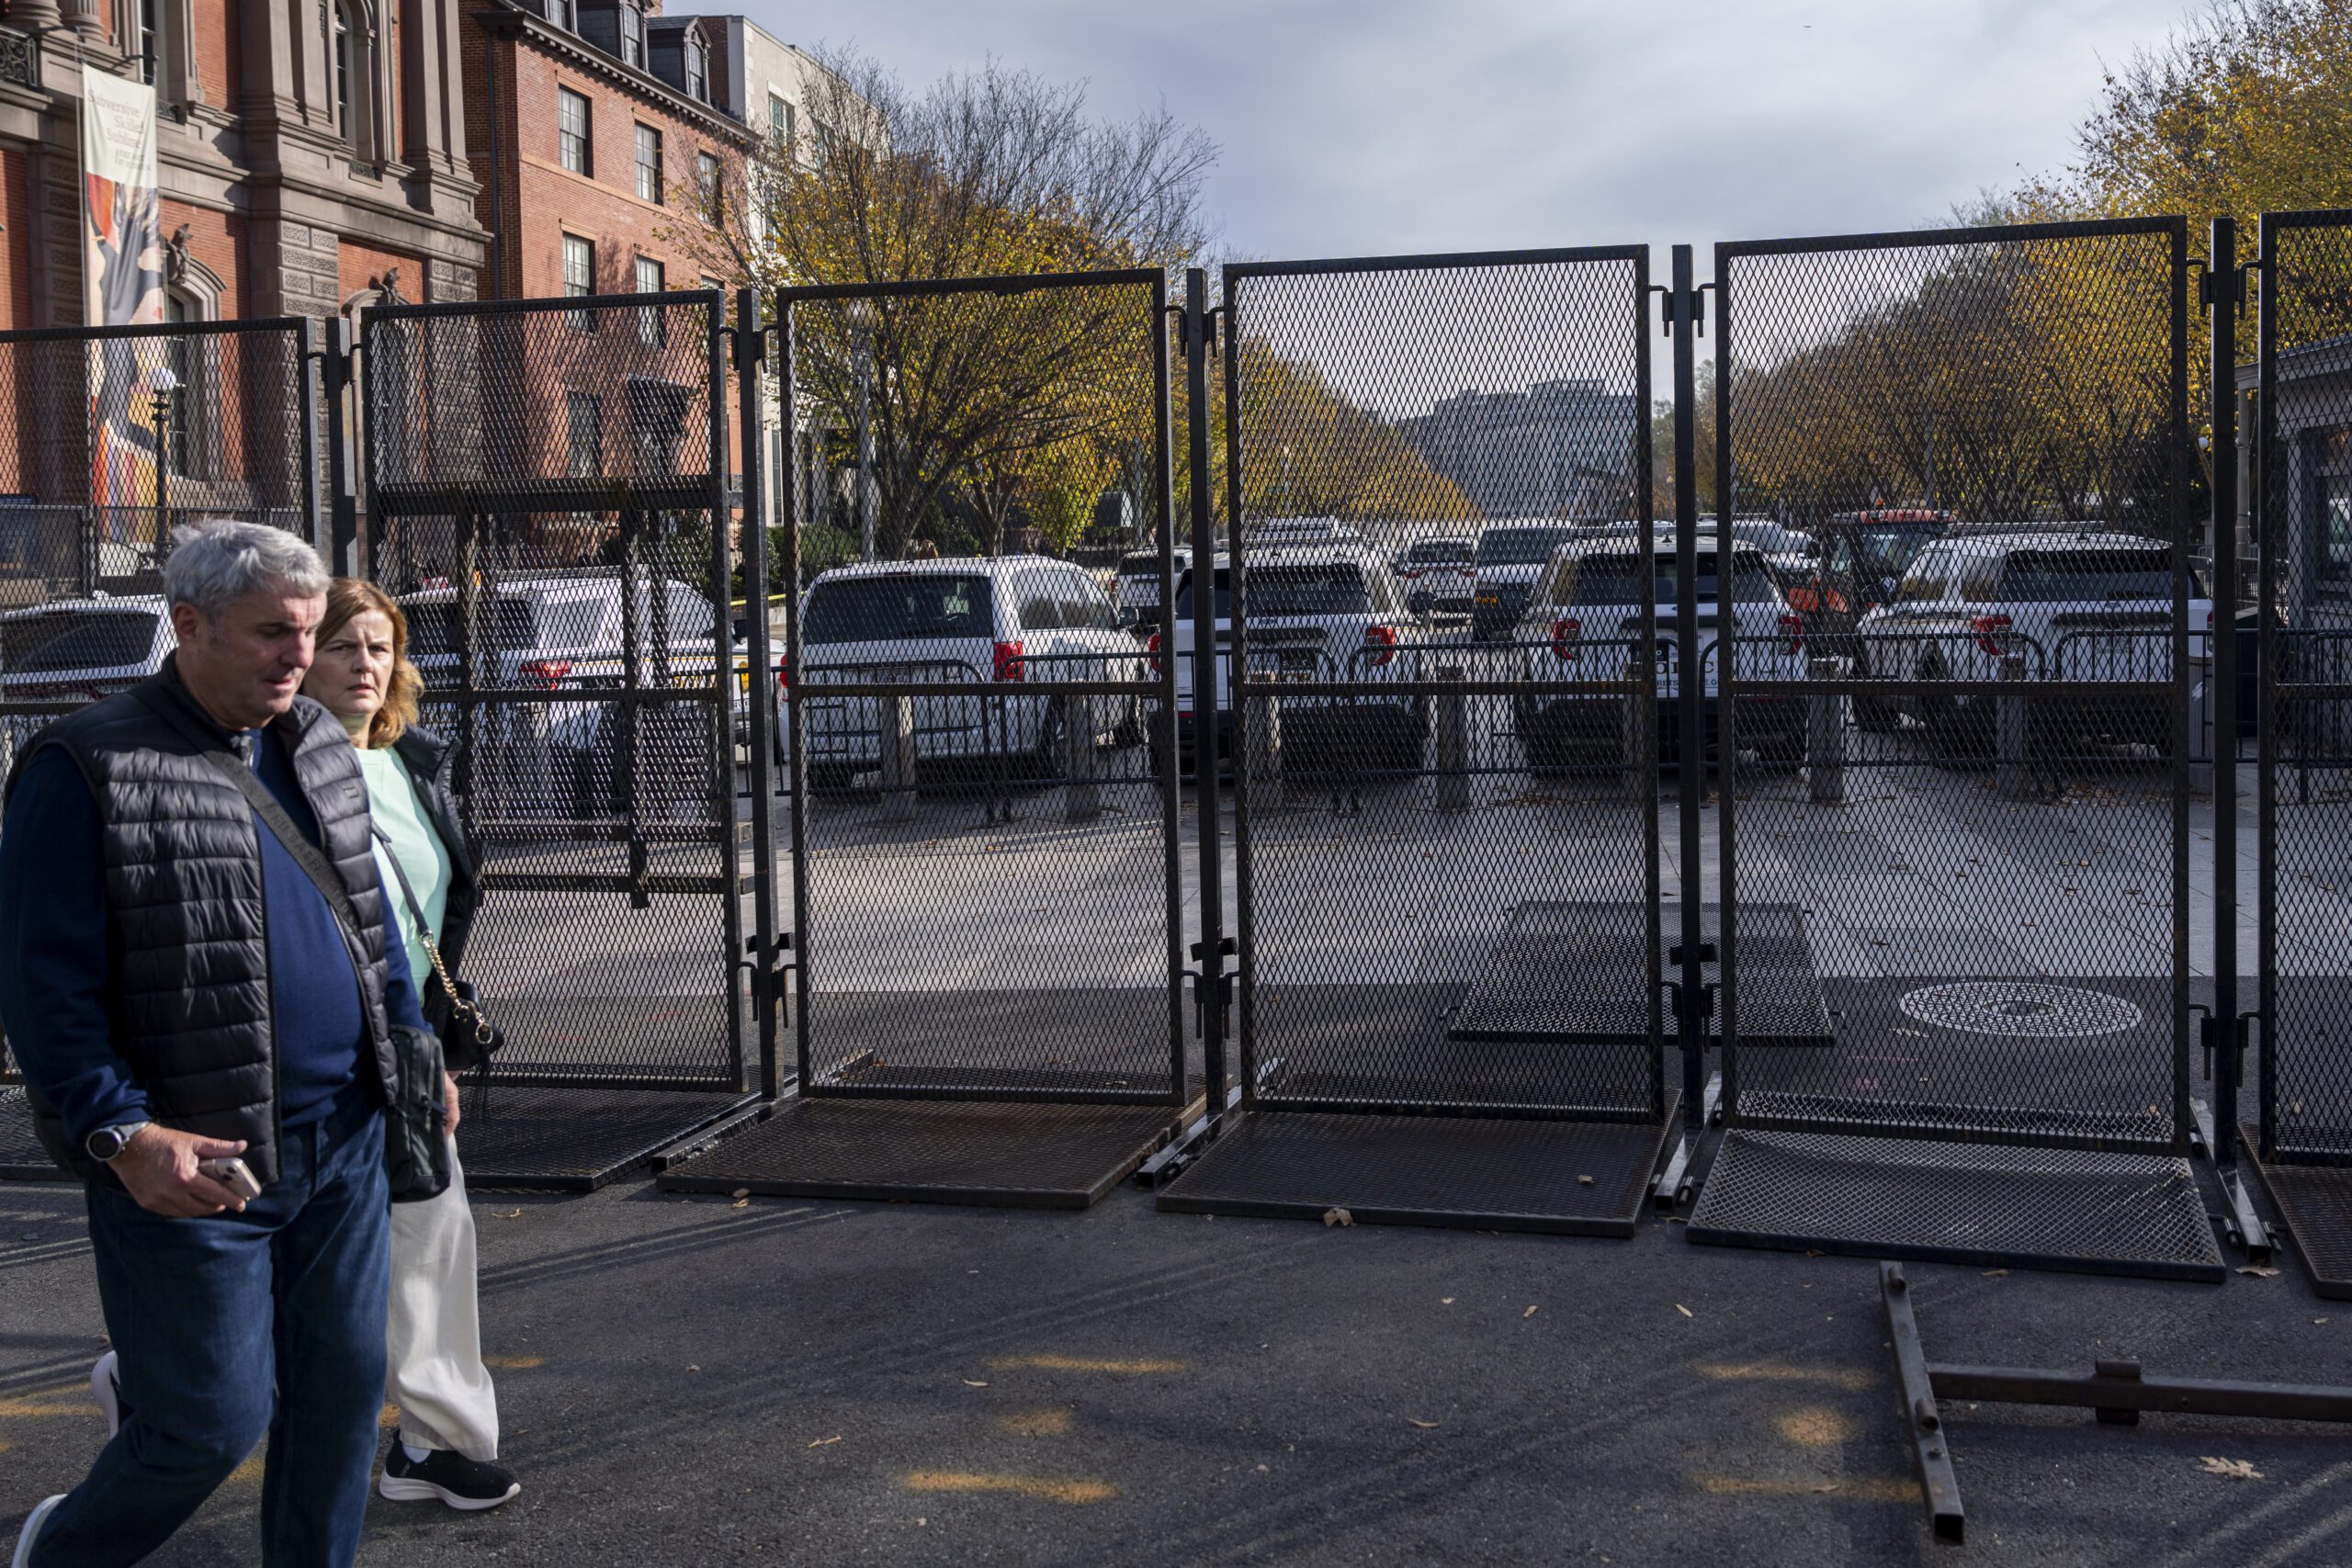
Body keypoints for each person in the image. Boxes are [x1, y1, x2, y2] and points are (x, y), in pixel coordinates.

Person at [1, 520, 432, 1568]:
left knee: (336, 1408)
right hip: (195, 1160)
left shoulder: (319, 742)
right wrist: (123, 1134)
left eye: (307, 632)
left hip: (345, 1142)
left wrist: (411, 1044)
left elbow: (366, 917)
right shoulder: (86, 765)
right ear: (186, 626)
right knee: (205, 1424)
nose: (300, 655)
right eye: (272, 634)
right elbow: (43, 985)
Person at [306, 577, 519, 1510]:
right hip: (311, 1047)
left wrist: (427, 1040)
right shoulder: (279, 769)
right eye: (344, 646)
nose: (364, 665)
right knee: (286, 1253)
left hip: (404, 1046)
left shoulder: (411, 762)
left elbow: (431, 913)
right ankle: (157, 1386)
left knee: (434, 1233)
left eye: (379, 648)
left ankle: (433, 1444)